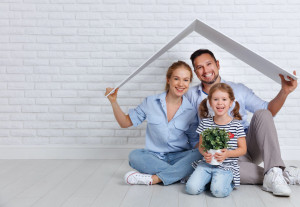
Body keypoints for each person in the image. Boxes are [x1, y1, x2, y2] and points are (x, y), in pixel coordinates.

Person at [185, 49, 298, 196]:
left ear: (217, 64)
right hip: (222, 157)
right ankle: (281, 175)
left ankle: (275, 170)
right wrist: (207, 153)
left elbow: (269, 110)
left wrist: (284, 91)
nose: (205, 70)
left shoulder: (238, 90)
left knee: (263, 113)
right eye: (199, 67)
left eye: (209, 64)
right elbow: (192, 136)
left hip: (247, 145)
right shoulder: (191, 96)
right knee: (224, 171)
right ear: (195, 72)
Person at [105, 61, 202, 186]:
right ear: (168, 80)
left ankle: (155, 178)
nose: (181, 84)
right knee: (134, 155)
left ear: (189, 83)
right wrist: (113, 101)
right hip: (154, 158)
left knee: (200, 153)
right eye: (176, 79)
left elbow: (195, 142)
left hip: (179, 157)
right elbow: (125, 123)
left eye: (186, 80)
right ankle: (179, 174)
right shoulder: (150, 102)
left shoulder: (191, 110)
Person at [186, 83, 247, 197]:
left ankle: (227, 183)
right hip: (207, 165)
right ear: (210, 102)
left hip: (226, 167)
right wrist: (205, 153)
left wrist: (227, 153)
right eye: (215, 99)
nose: (220, 103)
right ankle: (209, 182)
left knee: (218, 192)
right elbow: (201, 145)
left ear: (231, 103)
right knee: (191, 189)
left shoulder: (236, 125)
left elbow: (243, 149)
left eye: (224, 99)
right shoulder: (205, 123)